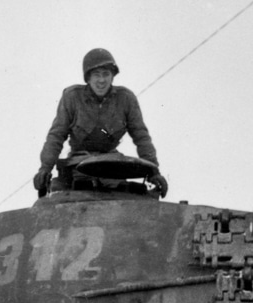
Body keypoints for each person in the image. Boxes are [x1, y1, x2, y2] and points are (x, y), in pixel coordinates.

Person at [35, 48, 168, 198]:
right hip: (78, 168)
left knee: (130, 198)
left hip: (111, 168)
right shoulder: (72, 98)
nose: (101, 80)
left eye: (106, 74)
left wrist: (154, 171)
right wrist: (45, 169)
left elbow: (141, 137)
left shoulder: (126, 100)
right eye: (96, 75)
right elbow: (56, 136)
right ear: (88, 78)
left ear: (112, 77)